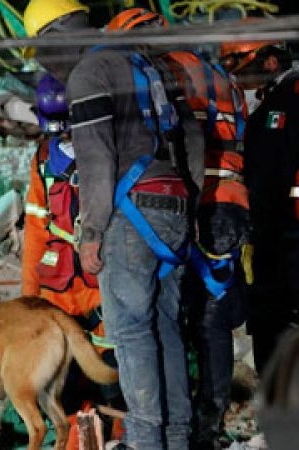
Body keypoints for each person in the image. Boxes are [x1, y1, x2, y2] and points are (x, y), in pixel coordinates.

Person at [24, 1, 205, 448]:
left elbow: (97, 157)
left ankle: (145, 440)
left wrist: (93, 231)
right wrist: (191, 206)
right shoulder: (144, 64)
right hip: (172, 204)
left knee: (132, 334)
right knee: (165, 329)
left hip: (130, 213)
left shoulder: (89, 72)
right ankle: (178, 438)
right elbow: (194, 136)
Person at [107, 9, 251, 448]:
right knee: (207, 320)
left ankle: (203, 430)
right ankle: (202, 423)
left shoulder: (169, 71)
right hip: (229, 199)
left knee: (203, 322)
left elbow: (174, 133)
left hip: (206, 201)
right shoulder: (212, 69)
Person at [20, 72, 120, 414]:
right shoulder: (44, 159)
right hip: (58, 295)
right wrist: (29, 300)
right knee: (63, 392)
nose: (63, 135)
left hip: (104, 287)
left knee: (113, 383)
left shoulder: (112, 152)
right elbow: (35, 230)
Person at [220, 38, 299, 373]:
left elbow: (270, 175)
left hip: (284, 234)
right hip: (280, 231)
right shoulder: (270, 105)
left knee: (272, 318)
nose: (238, 76)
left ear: (269, 61)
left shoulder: (282, 107)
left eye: (240, 65)